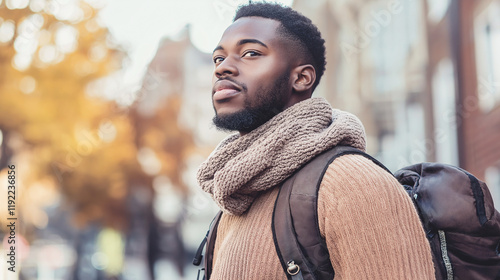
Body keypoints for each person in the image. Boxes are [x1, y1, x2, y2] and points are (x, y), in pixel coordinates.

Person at [196, 3, 435, 279]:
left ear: (301, 78)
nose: (223, 69)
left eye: (251, 53)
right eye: (218, 59)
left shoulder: (352, 184)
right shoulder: (235, 195)